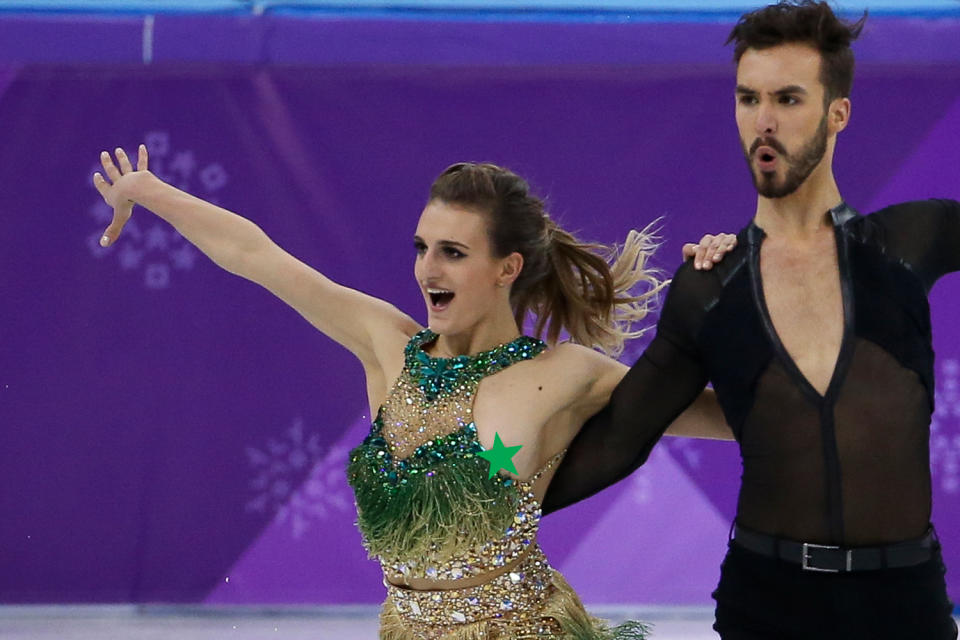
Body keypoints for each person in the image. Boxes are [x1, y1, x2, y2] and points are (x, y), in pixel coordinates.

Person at [93, 148, 735, 639]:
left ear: (506, 269)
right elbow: (255, 255)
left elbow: (724, 417)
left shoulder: (563, 374)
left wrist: (741, 294)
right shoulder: (387, 346)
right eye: (423, 248)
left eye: (453, 252)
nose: (429, 269)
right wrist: (149, 191)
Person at [542, 2, 960, 638]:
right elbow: (621, 437)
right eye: (748, 98)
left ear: (836, 113)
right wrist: (478, 508)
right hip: (766, 605)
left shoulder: (912, 240)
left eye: (789, 99)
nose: (763, 121)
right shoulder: (708, 287)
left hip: (907, 605)